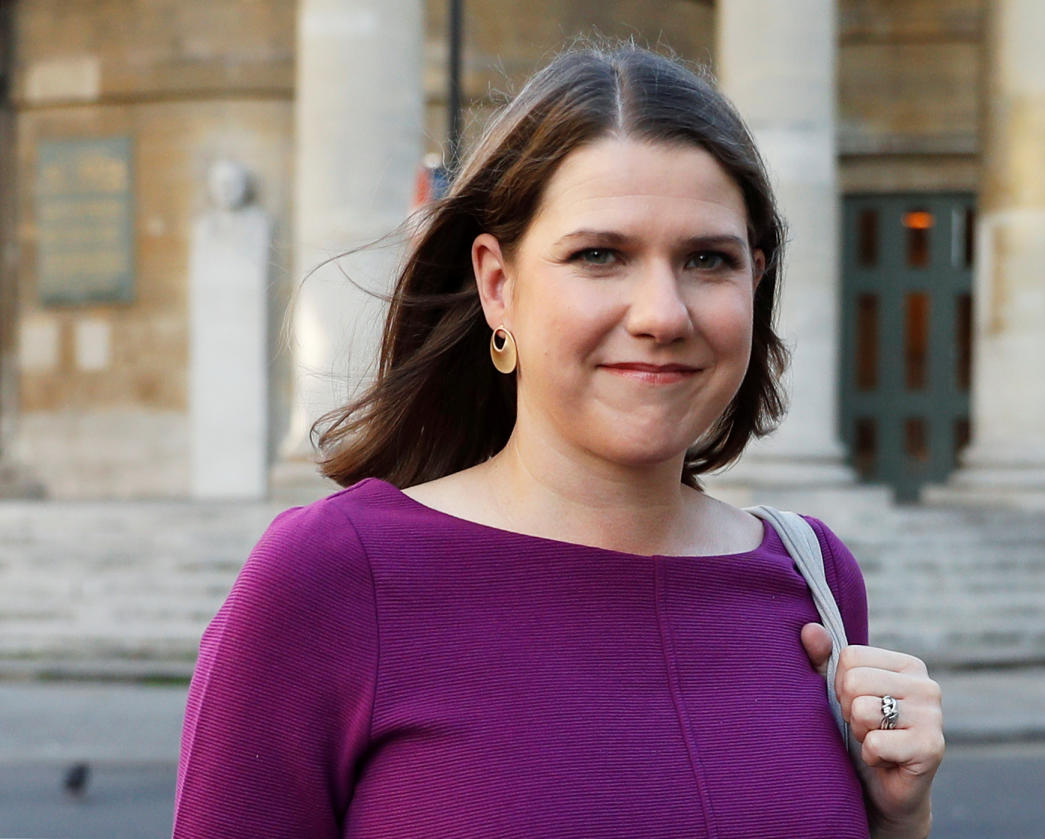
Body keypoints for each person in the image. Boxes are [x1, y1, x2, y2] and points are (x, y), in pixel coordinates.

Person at [172, 44, 943, 838]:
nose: (662, 314)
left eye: (708, 259)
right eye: (599, 255)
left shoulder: (812, 580)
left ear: (756, 278)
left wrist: (901, 819)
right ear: (498, 285)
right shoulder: (331, 579)